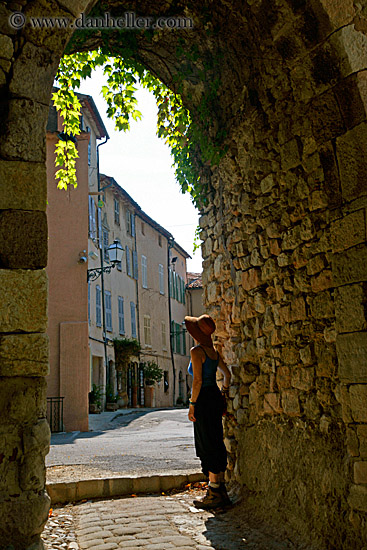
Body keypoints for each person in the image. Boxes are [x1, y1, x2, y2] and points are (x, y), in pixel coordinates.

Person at [185, 313, 231, 509]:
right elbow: (227, 375)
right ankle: (220, 489)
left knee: (206, 441)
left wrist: (192, 404)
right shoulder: (214, 352)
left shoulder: (197, 351)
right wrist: (224, 394)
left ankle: (213, 493)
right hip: (215, 396)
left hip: (203, 399)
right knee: (216, 439)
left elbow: (197, 381)